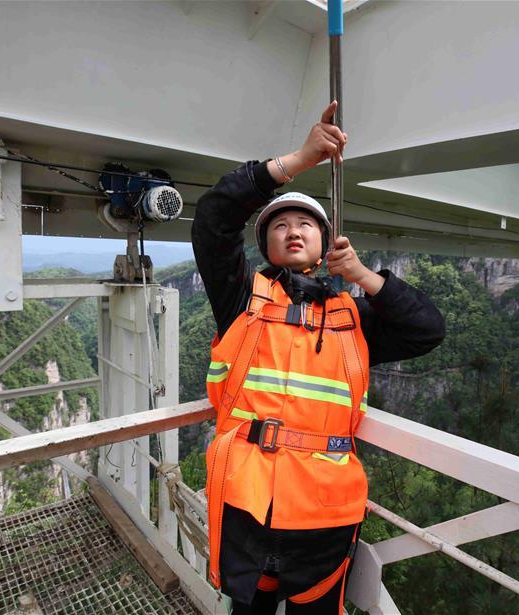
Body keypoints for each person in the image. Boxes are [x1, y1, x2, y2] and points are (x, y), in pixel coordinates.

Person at [192, 101, 445, 614]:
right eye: (280, 224)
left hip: (323, 511)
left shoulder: (355, 318)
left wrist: (364, 278)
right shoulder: (241, 299)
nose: (293, 230)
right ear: (266, 245)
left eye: (306, 223)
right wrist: (300, 160)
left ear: (325, 243)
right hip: (248, 499)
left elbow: (426, 330)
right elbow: (214, 220)